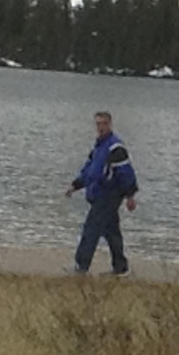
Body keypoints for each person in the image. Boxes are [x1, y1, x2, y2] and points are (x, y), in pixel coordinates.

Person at [66, 111, 139, 275]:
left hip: (109, 195)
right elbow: (90, 171)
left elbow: (126, 173)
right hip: (97, 193)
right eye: (98, 124)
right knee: (111, 231)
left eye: (104, 124)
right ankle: (121, 268)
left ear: (110, 124)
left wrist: (130, 196)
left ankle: (81, 266)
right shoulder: (98, 147)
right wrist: (76, 185)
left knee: (91, 229)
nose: (100, 127)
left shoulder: (116, 147)